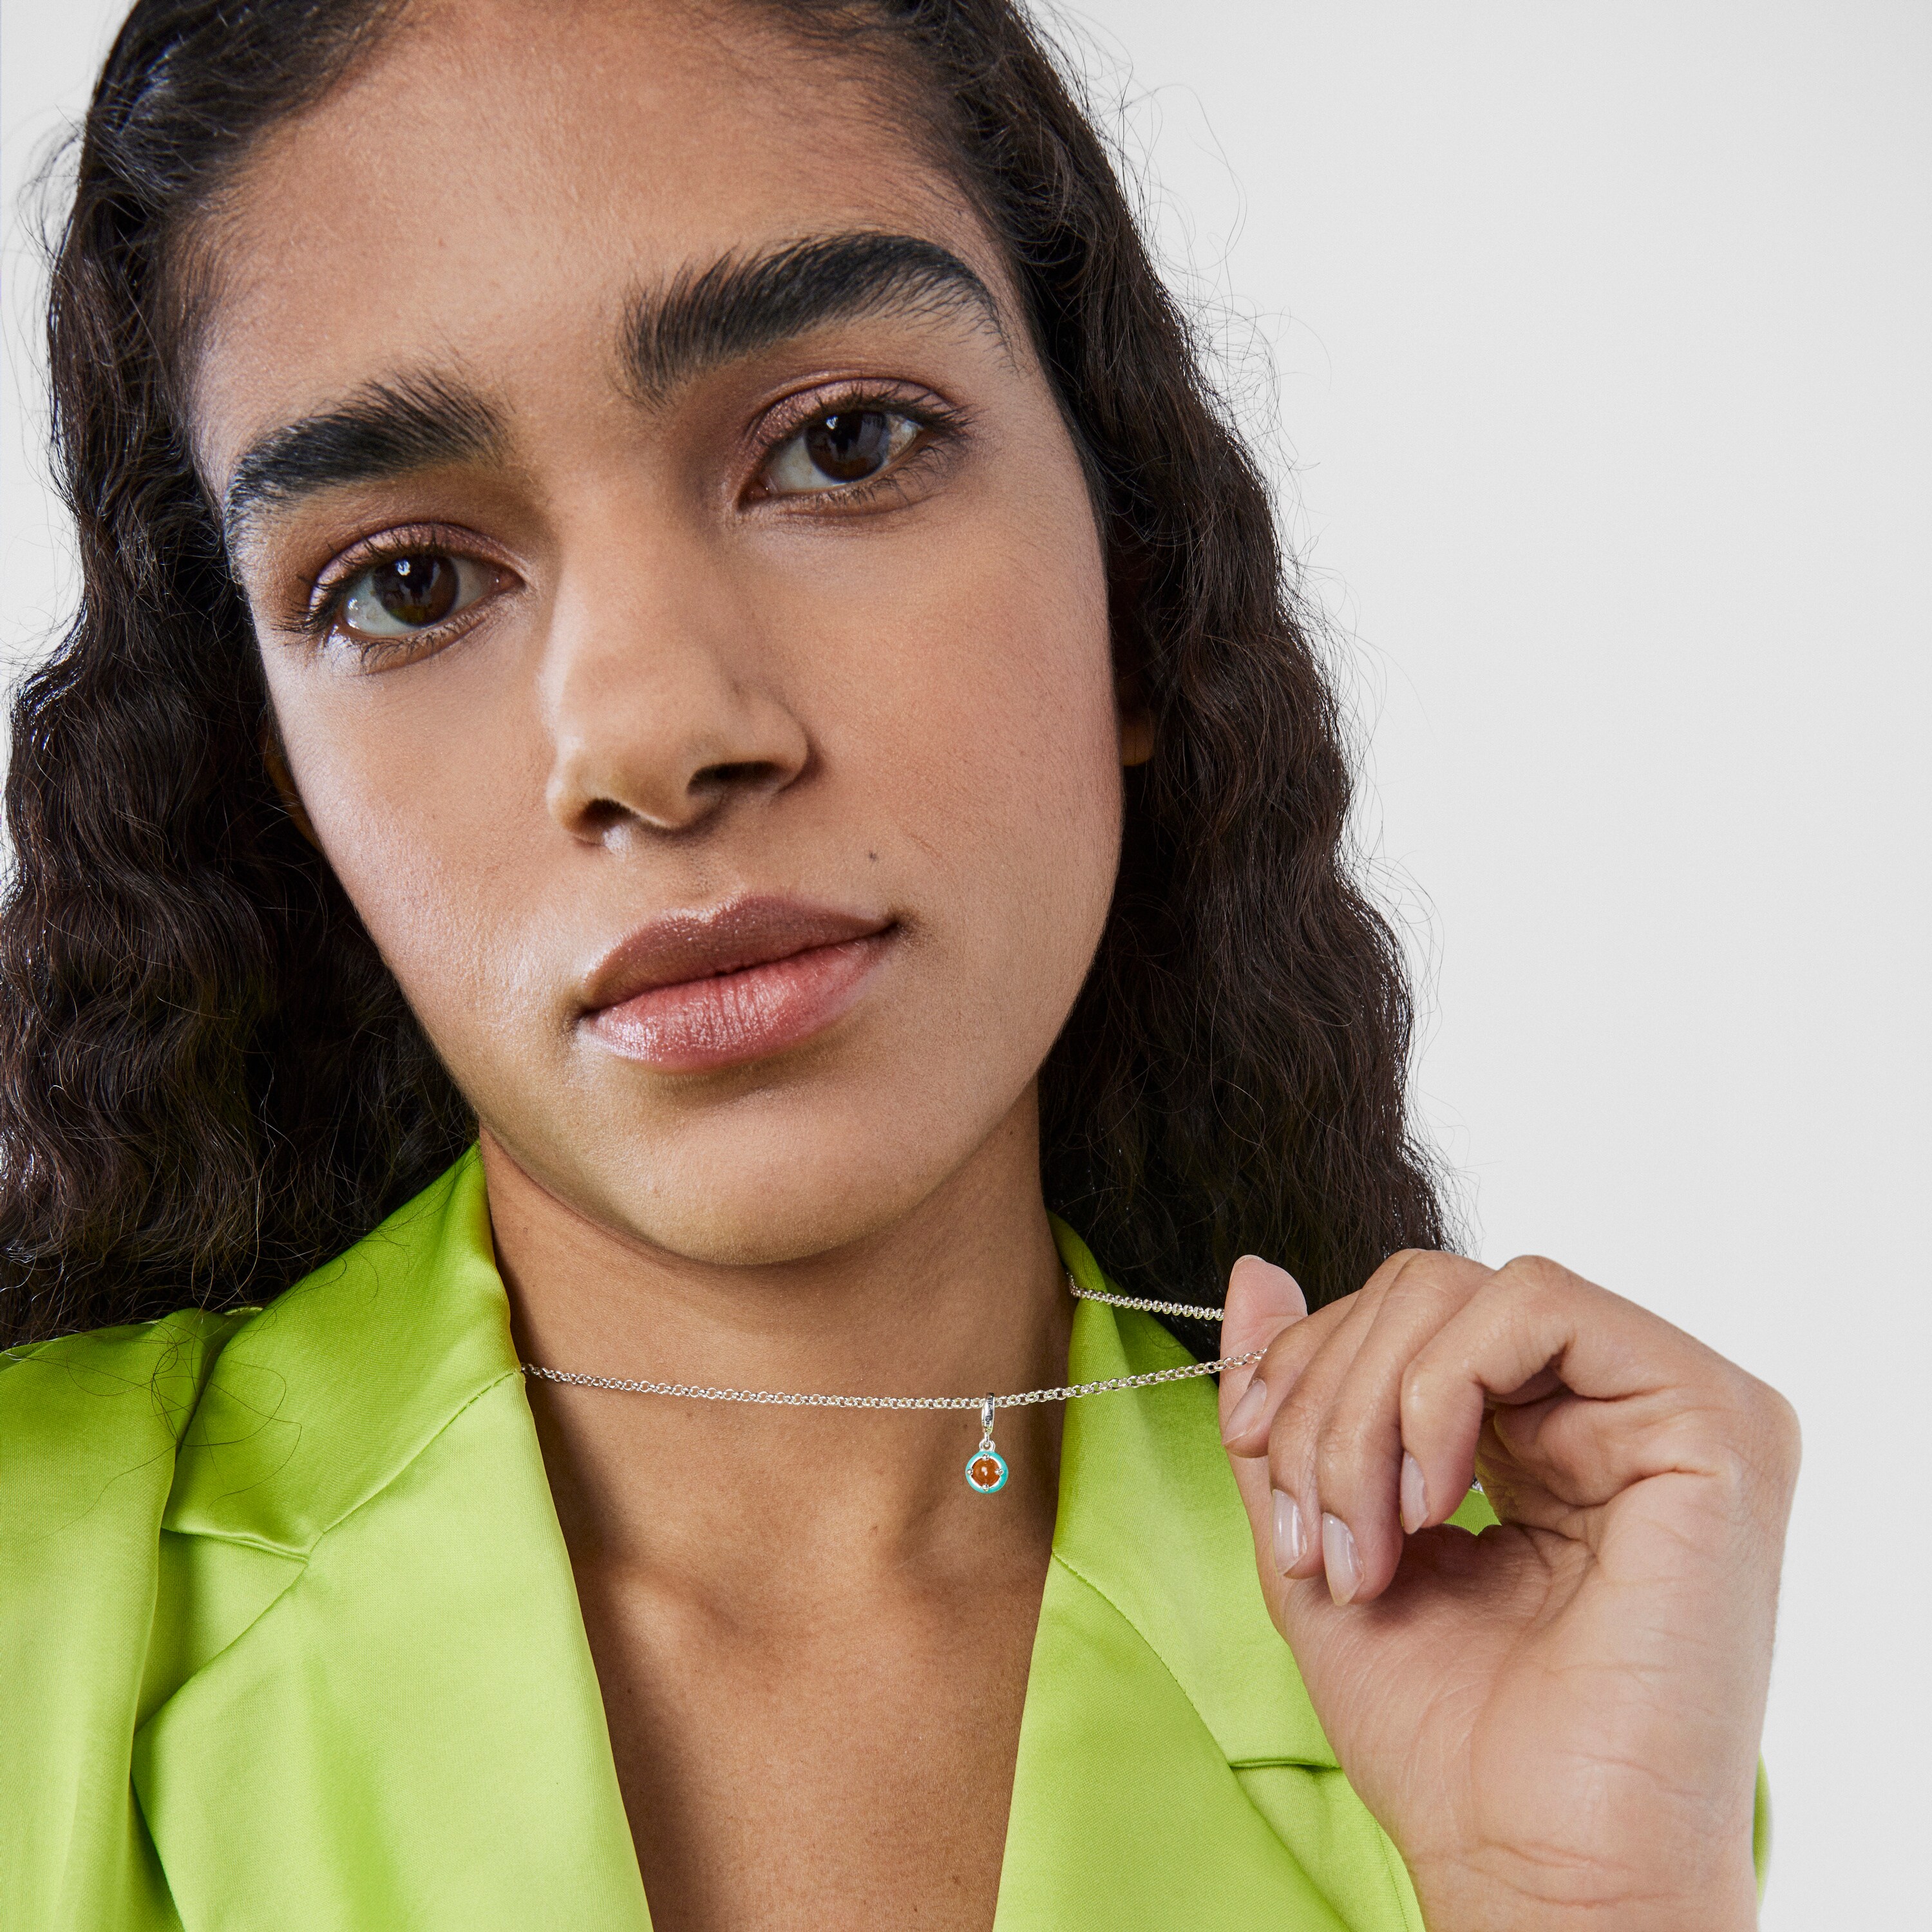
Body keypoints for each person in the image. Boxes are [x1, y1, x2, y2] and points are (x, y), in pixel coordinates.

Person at [0, 2, 1798, 1927]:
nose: (653, 734)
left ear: (1138, 567)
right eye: (407, 585)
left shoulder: (1522, 1668)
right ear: (280, 778)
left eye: (840, 449)